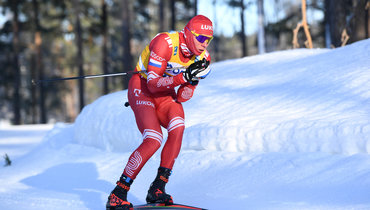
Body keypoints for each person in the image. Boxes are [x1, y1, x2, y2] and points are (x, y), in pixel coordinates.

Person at [106, 15, 213, 210]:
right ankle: (118, 193)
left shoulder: (202, 58)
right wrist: (183, 77)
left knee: (178, 127)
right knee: (154, 138)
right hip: (143, 87)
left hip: (166, 92)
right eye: (201, 38)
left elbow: (182, 97)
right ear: (189, 34)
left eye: (209, 39)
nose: (204, 43)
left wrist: (193, 81)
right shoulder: (165, 43)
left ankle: (157, 187)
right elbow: (153, 85)